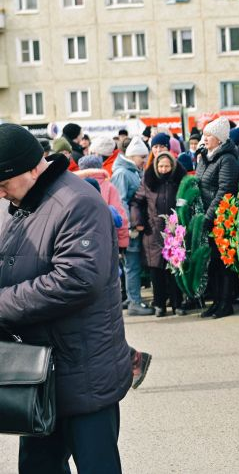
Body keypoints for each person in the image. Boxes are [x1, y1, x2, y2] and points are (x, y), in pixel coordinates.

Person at [0, 124, 131, 474]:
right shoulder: (17, 201)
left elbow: (75, 280)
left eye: (3, 184)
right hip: (34, 375)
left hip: (84, 372)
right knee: (37, 467)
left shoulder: (78, 203)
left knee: (97, 466)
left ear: (31, 168)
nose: (0, 194)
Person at [130, 152, 188, 317]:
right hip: (153, 231)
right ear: (156, 167)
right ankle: (159, 304)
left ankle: (178, 303)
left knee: (174, 269)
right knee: (156, 270)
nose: (163, 169)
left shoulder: (179, 181)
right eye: (161, 166)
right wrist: (137, 222)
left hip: (175, 231)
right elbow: (136, 202)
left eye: (167, 166)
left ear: (172, 166)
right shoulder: (148, 181)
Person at [196, 118, 239, 318]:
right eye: (204, 135)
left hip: (220, 218)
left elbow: (225, 190)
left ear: (220, 139)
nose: (204, 139)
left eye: (208, 136)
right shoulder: (205, 156)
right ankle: (215, 301)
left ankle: (225, 302)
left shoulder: (227, 159)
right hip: (205, 216)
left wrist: (208, 216)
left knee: (223, 262)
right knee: (212, 262)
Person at [112, 136, 155, 316]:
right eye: (142, 157)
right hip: (130, 230)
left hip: (134, 227)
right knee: (132, 265)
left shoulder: (132, 171)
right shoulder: (123, 173)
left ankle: (133, 298)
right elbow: (119, 202)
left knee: (133, 265)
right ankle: (135, 302)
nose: (145, 161)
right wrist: (128, 227)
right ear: (132, 156)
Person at [75, 155, 130, 253]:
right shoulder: (109, 187)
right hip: (105, 240)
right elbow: (120, 217)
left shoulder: (73, 185)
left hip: (78, 241)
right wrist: (122, 243)